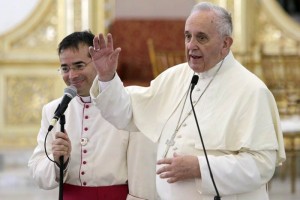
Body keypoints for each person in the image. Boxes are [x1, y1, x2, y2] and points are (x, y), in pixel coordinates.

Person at [89, 2, 286, 200]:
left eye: (201, 37)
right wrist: (107, 77)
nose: (191, 45)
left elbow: (262, 165)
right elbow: (127, 113)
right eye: (187, 36)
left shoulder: (252, 90)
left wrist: (200, 168)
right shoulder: (175, 77)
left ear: (225, 44)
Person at [28, 30, 157, 200]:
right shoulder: (53, 110)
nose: (72, 75)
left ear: (97, 62)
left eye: (79, 66)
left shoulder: (128, 104)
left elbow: (143, 168)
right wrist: (59, 160)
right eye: (65, 68)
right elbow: (37, 171)